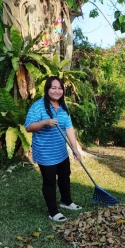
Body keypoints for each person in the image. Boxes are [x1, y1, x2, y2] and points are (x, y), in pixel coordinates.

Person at [25, 76, 82, 222]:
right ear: (47, 89)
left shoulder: (64, 107)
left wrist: (75, 149)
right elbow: (28, 127)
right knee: (49, 181)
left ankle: (66, 201)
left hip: (61, 151)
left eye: (60, 88)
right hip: (45, 153)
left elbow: (68, 128)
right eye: (53, 88)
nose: (57, 91)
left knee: (65, 176)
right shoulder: (38, 107)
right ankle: (53, 211)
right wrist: (44, 122)